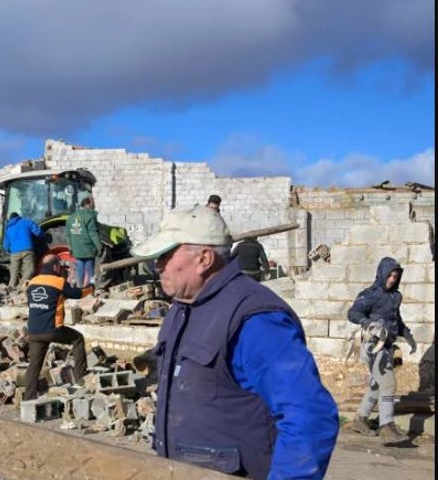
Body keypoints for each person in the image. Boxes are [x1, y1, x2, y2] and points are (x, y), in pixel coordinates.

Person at [131, 204, 338, 479]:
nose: (157, 265)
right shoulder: (182, 309)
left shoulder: (255, 319)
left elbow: (309, 415)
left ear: (204, 259)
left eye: (166, 255)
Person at [346, 257, 416, 445]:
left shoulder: (396, 296)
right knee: (388, 384)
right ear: (381, 274)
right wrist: (368, 323)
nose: (392, 279)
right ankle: (386, 426)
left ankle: (360, 420)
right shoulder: (370, 294)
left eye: (395, 276)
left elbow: (396, 320)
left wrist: (408, 335)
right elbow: (352, 313)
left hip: (387, 347)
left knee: (377, 386)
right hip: (371, 346)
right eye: (389, 275)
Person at [22, 255, 93, 401]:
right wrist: (91, 288)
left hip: (34, 331)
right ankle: (81, 378)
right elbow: (78, 294)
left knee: (34, 365)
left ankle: (29, 398)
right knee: (77, 339)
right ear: (55, 267)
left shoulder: (33, 281)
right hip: (52, 330)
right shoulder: (59, 282)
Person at [66, 197, 103, 289]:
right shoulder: (89, 216)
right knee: (90, 269)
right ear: (88, 204)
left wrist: (70, 247)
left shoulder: (70, 217)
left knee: (79, 268)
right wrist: (99, 246)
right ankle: (92, 288)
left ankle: (80, 287)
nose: (94, 206)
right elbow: (93, 233)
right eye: (93, 203)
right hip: (88, 248)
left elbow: (68, 235)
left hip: (77, 249)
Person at [3, 212, 43, 289]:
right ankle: (21, 287)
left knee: (14, 272)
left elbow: (6, 245)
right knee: (29, 270)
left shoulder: (9, 228)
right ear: (18, 217)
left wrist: (10, 250)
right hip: (27, 250)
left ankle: (11, 287)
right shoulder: (26, 221)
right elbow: (38, 232)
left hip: (14, 253)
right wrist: (43, 236)